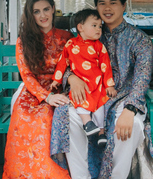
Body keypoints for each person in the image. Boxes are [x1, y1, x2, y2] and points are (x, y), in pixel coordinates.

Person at [51, 0, 153, 179]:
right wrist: (70, 78)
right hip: (91, 94)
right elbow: (67, 63)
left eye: (113, 3)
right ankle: (81, 177)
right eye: (102, 3)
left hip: (125, 97)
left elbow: (142, 78)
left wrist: (130, 109)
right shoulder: (88, 33)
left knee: (132, 124)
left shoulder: (139, 39)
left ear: (123, 6)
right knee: (67, 114)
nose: (107, 8)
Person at [1, 0, 73, 179]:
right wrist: (45, 97)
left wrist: (63, 88)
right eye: (36, 12)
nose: (42, 15)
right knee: (25, 117)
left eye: (46, 10)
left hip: (61, 88)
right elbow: (26, 75)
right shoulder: (24, 40)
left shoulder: (67, 37)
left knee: (49, 117)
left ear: (53, 9)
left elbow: (75, 66)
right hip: (34, 91)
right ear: (30, 15)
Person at [50, 8, 116, 147]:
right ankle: (88, 124)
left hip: (97, 84)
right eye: (94, 25)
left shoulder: (99, 46)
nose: (99, 29)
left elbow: (106, 65)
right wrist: (56, 80)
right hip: (81, 83)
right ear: (80, 27)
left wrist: (109, 84)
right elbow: (63, 62)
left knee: (100, 105)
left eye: (100, 26)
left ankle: (101, 133)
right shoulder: (71, 44)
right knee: (79, 100)